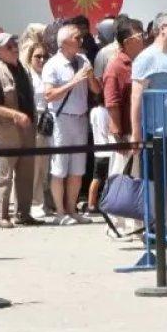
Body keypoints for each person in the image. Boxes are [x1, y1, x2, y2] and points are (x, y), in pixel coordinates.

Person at [131, 12, 167, 231]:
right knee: (155, 184)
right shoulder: (147, 57)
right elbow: (136, 96)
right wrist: (136, 133)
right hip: (155, 132)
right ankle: (155, 228)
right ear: (161, 28)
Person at [42, 24, 100, 224]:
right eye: (77, 38)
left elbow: (95, 90)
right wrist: (74, 81)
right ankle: (59, 212)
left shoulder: (83, 60)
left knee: (77, 168)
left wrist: (90, 77)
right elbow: (49, 95)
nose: (81, 40)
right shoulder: (53, 64)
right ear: (65, 42)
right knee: (59, 168)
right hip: (61, 119)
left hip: (80, 119)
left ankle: (72, 209)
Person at [0, 33, 41, 227]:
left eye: (15, 45)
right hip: (6, 131)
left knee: (26, 173)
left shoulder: (23, 69)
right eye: (9, 46)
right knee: (5, 174)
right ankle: (2, 216)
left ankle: (23, 214)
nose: (14, 48)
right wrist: (16, 115)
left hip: (27, 129)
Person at [102, 20, 145, 233]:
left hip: (137, 130)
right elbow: (112, 103)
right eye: (139, 36)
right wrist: (118, 135)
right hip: (125, 132)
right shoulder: (116, 66)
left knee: (135, 178)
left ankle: (134, 222)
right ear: (127, 41)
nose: (144, 39)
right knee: (120, 177)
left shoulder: (139, 62)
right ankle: (114, 223)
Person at [26, 41, 54, 217]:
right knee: (35, 165)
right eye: (37, 56)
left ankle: (45, 201)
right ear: (30, 58)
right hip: (34, 121)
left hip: (49, 121)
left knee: (47, 165)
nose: (42, 59)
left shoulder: (48, 73)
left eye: (44, 56)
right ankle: (34, 202)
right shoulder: (27, 75)